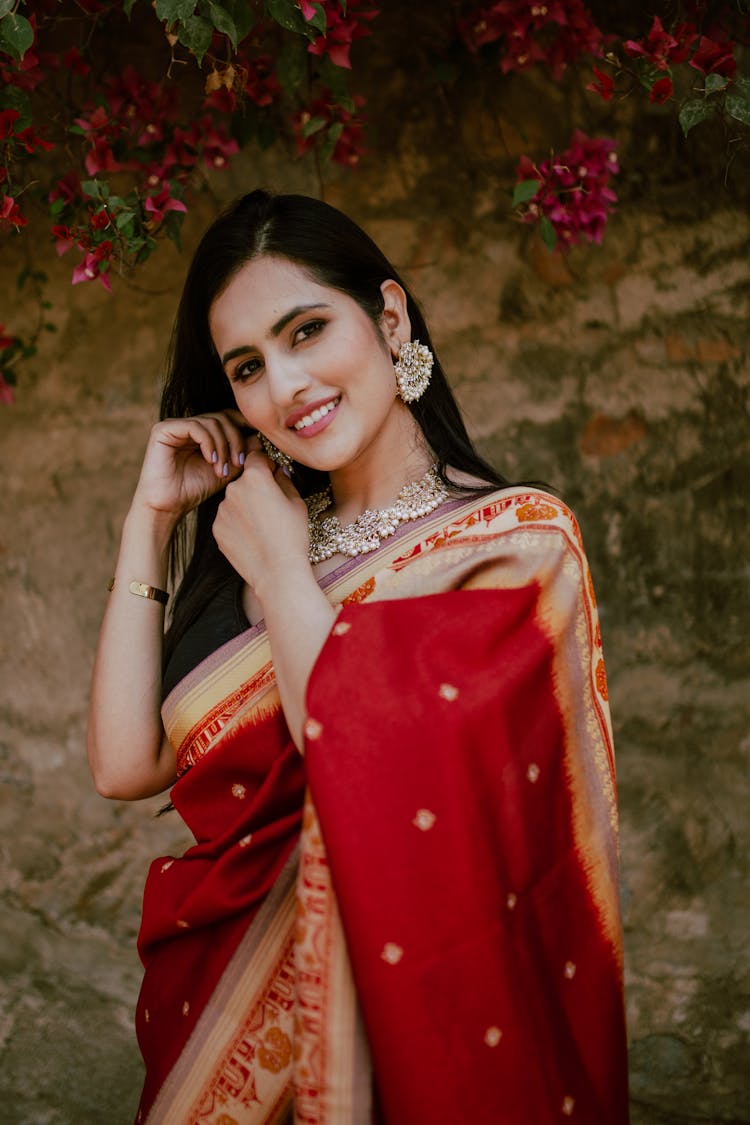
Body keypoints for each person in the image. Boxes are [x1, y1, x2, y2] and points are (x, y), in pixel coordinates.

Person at [87, 190, 629, 1124]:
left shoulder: (518, 547)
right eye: (249, 366)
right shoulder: (260, 533)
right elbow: (123, 762)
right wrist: (150, 519)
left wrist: (288, 572)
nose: (287, 385)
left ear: (388, 315)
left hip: (403, 1042)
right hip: (215, 1044)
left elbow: (373, 763)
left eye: (307, 330)